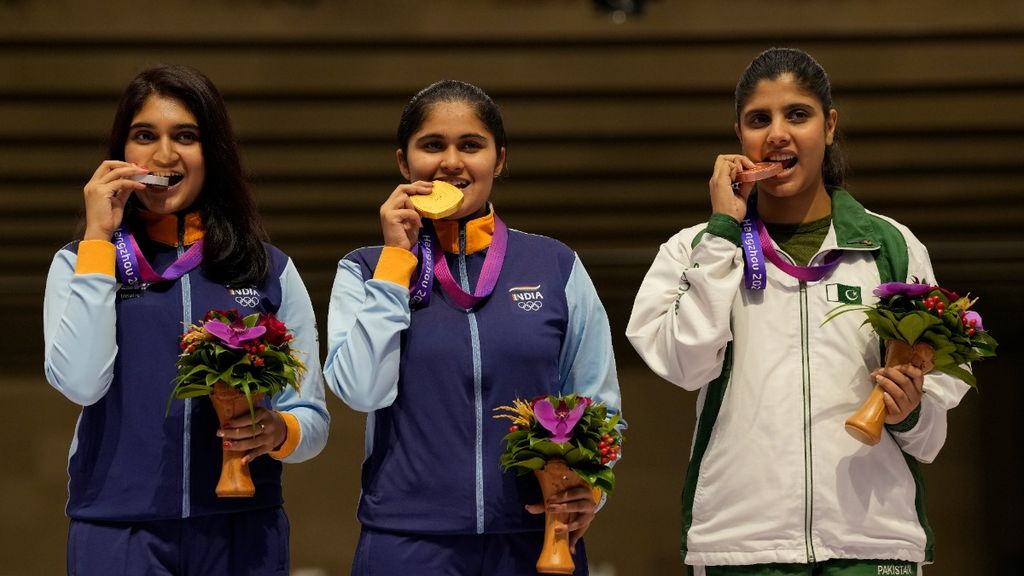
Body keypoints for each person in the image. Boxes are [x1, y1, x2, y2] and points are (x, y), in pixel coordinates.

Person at [626, 47, 969, 575]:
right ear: (739, 136)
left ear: (829, 126)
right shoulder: (694, 247)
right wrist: (722, 233)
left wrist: (913, 410)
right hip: (742, 544)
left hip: (873, 542)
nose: (777, 133)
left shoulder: (891, 246)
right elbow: (685, 363)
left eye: (798, 115)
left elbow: (938, 402)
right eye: (758, 119)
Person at [323, 79, 622, 575]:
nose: (452, 162)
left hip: (536, 537)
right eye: (432, 145)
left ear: (499, 160)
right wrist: (396, 264)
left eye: (471, 145)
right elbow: (361, 391)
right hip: (407, 537)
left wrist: (589, 489)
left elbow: (600, 402)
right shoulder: (364, 269)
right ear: (404, 162)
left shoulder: (555, 265)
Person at [43, 64, 329, 575]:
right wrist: (96, 240)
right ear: (121, 152)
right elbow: (81, 383)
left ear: (211, 154)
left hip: (243, 528)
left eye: (186, 136)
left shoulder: (270, 270)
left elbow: (311, 416)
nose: (164, 155)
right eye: (144, 135)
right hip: (118, 528)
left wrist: (278, 430)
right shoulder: (81, 261)